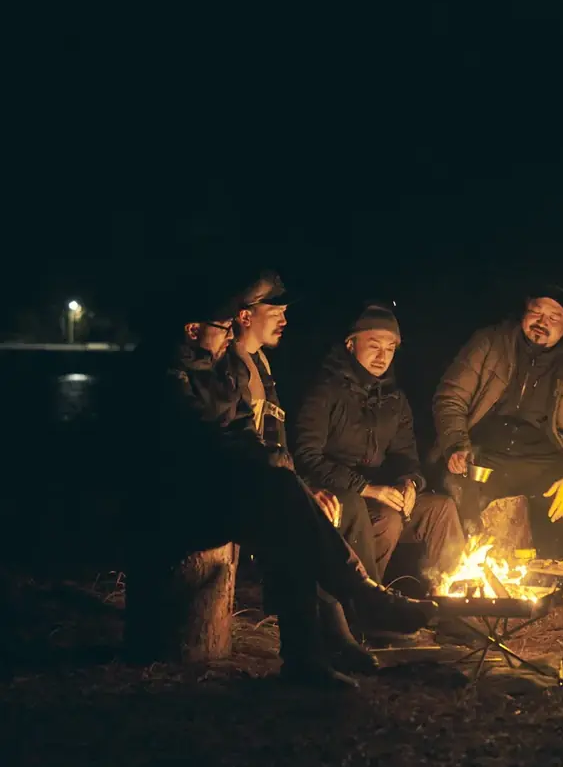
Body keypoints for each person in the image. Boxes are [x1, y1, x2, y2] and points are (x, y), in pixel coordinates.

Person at [140, 283, 437, 690]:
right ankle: (356, 604)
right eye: (223, 327)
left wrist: (277, 468)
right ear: (193, 330)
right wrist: (273, 468)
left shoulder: (224, 368)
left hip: (229, 490)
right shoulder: (169, 374)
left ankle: (317, 649)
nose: (229, 334)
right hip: (180, 500)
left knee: (288, 512)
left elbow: (243, 431)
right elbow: (203, 438)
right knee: (285, 502)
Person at [231, 270, 381, 660]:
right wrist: (300, 488)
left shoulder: (260, 362)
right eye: (275, 312)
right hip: (245, 487)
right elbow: (246, 446)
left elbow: (275, 443)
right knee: (303, 523)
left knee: (343, 507)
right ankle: (338, 627)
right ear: (245, 316)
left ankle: (353, 618)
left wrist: (302, 485)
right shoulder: (233, 366)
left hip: (271, 481)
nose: (285, 320)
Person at [432, 284, 563, 562]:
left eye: (554, 317)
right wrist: (456, 444)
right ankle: (459, 577)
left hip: (545, 468)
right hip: (483, 460)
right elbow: (451, 398)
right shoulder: (491, 344)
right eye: (537, 312)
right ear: (525, 310)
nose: (542, 323)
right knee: (457, 491)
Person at [293, 304, 465, 590]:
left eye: (390, 348)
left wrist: (410, 483)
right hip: (338, 496)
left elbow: (406, 456)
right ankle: (366, 602)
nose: (382, 357)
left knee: (440, 509)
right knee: (387, 519)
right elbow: (307, 456)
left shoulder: (394, 400)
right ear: (351, 344)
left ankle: (452, 602)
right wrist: (366, 488)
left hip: (382, 494)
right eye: (374, 346)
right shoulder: (325, 391)